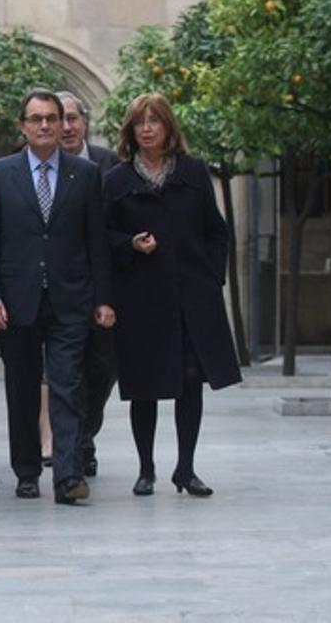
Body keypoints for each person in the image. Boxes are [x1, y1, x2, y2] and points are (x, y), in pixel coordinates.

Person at [0, 89, 115, 505]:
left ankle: (68, 475)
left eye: (52, 118)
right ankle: (26, 470)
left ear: (63, 124)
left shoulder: (85, 175)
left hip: (71, 299)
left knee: (69, 385)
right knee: (20, 387)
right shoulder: (0, 174)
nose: (44, 125)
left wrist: (104, 299)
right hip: (16, 302)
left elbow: (97, 243)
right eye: (35, 118)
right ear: (23, 125)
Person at [103, 92, 242, 498]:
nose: (146, 129)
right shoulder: (116, 180)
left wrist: (211, 276)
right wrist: (130, 244)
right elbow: (101, 237)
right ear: (130, 131)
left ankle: (185, 468)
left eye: (154, 121)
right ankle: (146, 469)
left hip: (190, 300)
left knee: (190, 382)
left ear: (168, 127)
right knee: (143, 386)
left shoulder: (194, 173)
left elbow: (216, 231)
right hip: (141, 300)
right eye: (139, 123)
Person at [58, 92, 119, 479]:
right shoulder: (31, 163)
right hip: (58, 287)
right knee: (66, 372)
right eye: (56, 118)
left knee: (103, 368)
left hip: (101, 286)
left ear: (84, 122)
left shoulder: (107, 163)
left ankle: (86, 432)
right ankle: (75, 446)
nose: (64, 127)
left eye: (71, 118)